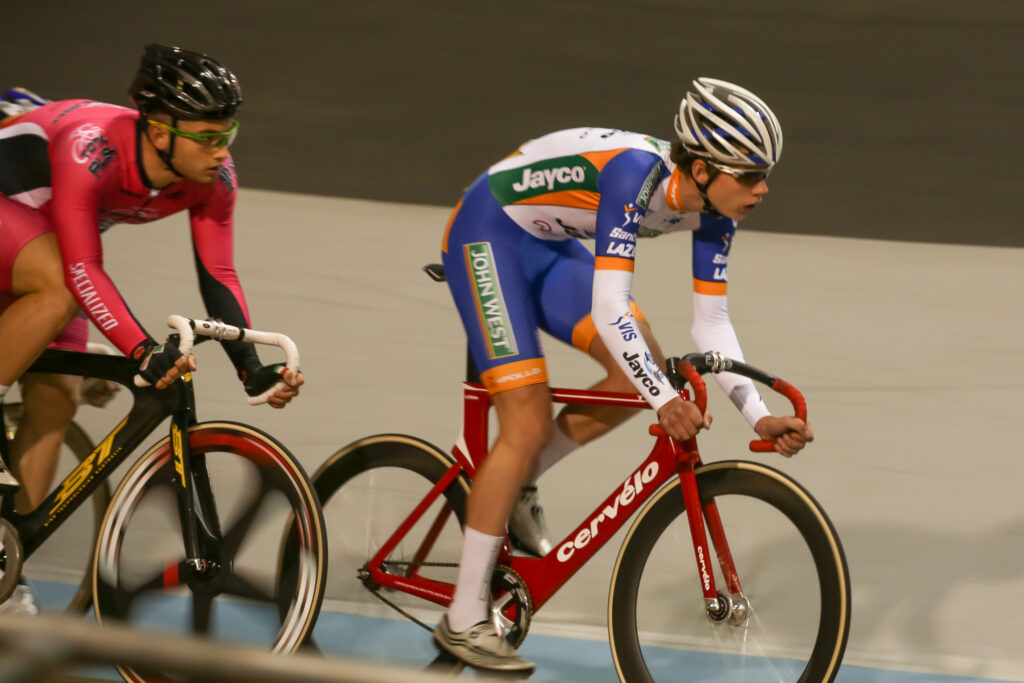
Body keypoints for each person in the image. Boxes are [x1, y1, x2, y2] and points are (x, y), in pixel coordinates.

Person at [434, 77, 814, 672]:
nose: (763, 189)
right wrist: (665, 399)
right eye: (750, 175)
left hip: (550, 245)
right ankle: (462, 618)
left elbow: (711, 325)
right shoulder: (631, 177)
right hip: (489, 235)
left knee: (630, 376)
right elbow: (612, 307)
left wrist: (759, 415)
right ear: (703, 169)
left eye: (765, 173)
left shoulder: (717, 210)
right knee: (527, 423)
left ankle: (515, 484)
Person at [0, 46, 303, 610]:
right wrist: (141, 349)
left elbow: (219, 274)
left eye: (227, 134)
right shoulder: (93, 146)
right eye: (207, 137)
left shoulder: (215, 179)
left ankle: (5, 566)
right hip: (25, 233)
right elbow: (81, 270)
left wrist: (251, 370)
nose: (221, 151)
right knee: (63, 289)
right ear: (160, 133)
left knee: (56, 400)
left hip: (36, 248)